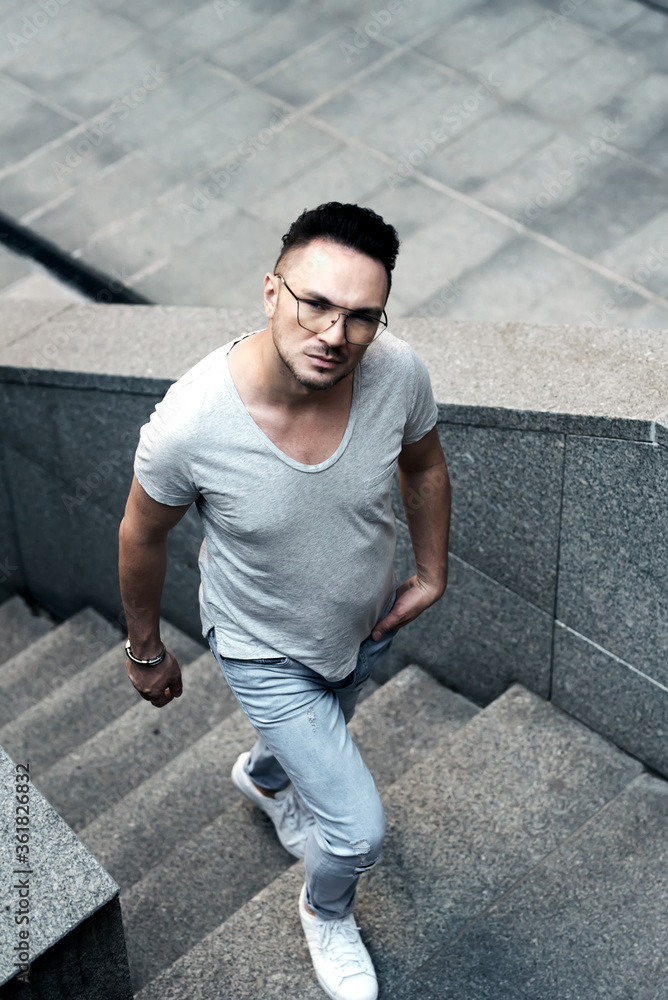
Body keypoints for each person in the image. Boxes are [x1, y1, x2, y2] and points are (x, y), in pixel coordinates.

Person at [119, 202, 451, 1000]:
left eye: (362, 316)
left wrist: (431, 573)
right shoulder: (192, 425)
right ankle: (325, 907)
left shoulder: (396, 372)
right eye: (317, 304)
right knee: (357, 830)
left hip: (365, 620)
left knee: (325, 722)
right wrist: (145, 649)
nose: (336, 334)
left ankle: (267, 779)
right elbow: (141, 535)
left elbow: (426, 466)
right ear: (272, 292)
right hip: (262, 644)